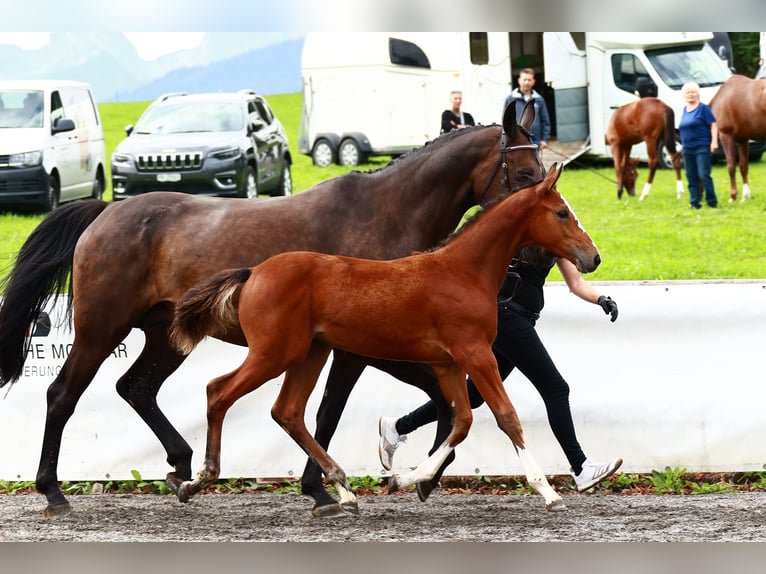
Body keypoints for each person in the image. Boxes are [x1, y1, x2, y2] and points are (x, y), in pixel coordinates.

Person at [378, 245, 623, 492]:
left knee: (474, 395)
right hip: (507, 317)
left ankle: (397, 426)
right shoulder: (525, 230)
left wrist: (600, 299)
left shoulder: (555, 232)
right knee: (556, 388)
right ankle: (581, 468)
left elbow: (576, 282)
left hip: (521, 320)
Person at [678, 82, 718, 209]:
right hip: (687, 148)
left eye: (692, 92)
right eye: (687, 93)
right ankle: (695, 202)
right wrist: (682, 145)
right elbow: (685, 129)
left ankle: (712, 201)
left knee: (703, 174)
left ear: (698, 94)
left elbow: (713, 125)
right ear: (684, 95)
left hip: (702, 146)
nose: (690, 95)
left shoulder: (703, 108)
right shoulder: (685, 110)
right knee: (691, 176)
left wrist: (714, 142)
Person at [504, 68, 551, 149]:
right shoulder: (511, 99)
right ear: (519, 81)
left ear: (533, 82)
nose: (527, 82)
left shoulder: (539, 99)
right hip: (516, 140)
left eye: (529, 80)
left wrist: (544, 139)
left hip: (534, 140)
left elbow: (545, 121)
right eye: (524, 79)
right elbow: (506, 120)